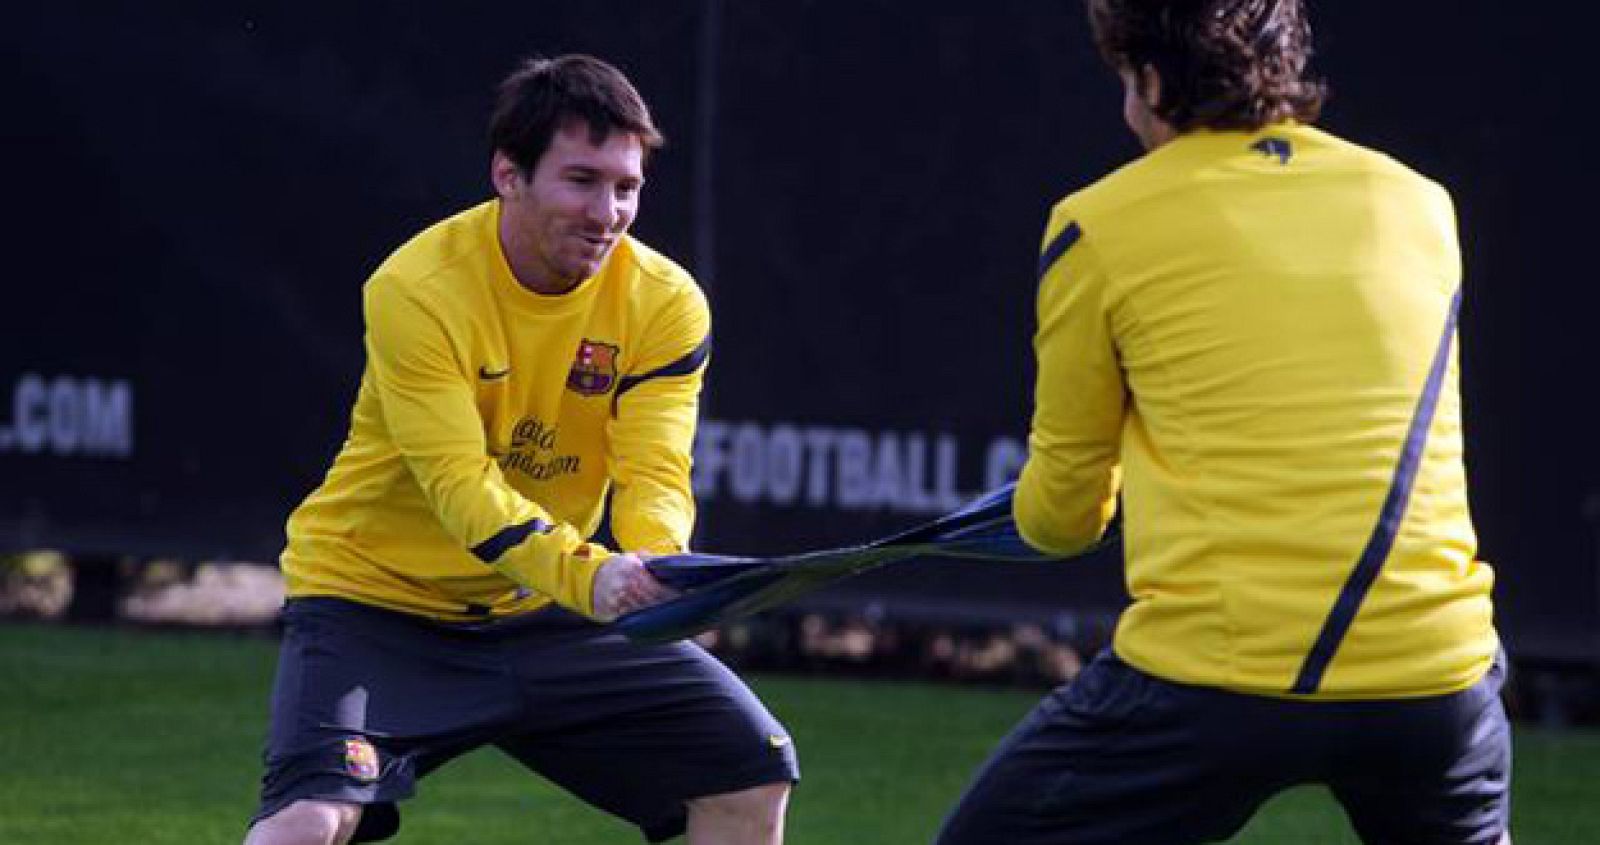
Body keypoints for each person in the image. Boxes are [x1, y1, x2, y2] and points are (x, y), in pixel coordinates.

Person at [937, 1, 1510, 843]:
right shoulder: (1421, 206)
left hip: (1216, 678)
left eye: (1125, 81)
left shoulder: (1095, 224)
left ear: (1154, 81)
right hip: (1435, 674)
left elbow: (1062, 516)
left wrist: (1029, 513)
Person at [245, 55, 797, 845]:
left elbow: (654, 471)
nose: (607, 211)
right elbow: (459, 488)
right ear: (508, 174)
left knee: (751, 772)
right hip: (374, 602)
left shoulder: (666, 304)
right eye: (581, 180)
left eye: (627, 187)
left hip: (545, 607)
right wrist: (593, 575)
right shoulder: (416, 289)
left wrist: (658, 570)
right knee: (306, 822)